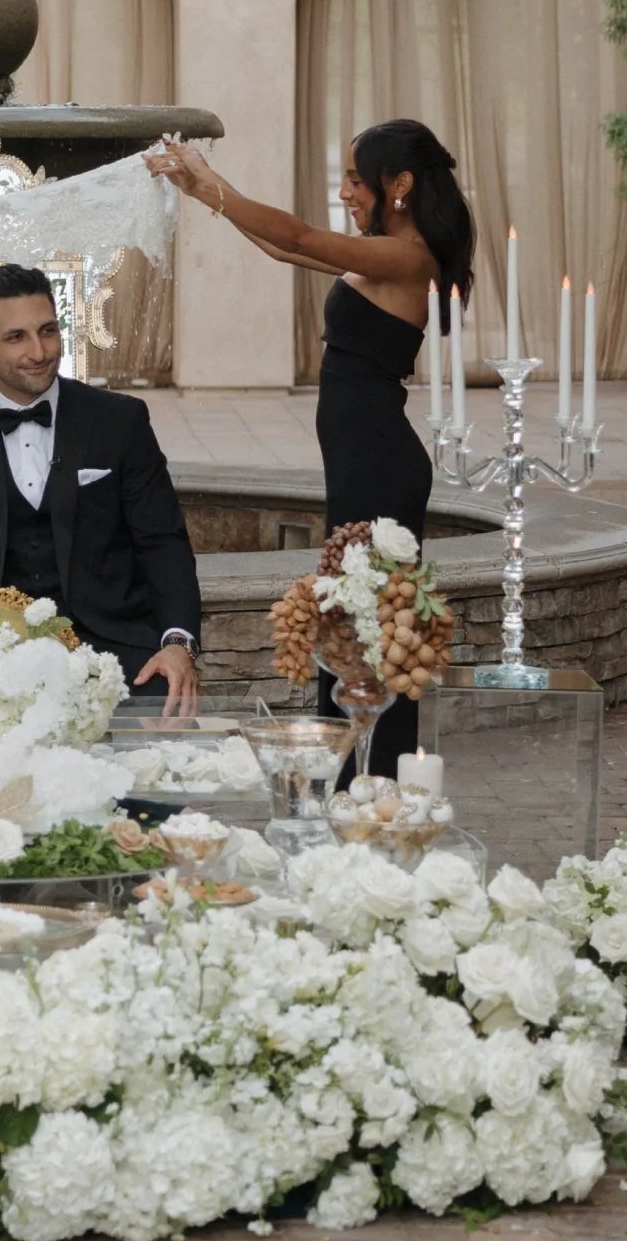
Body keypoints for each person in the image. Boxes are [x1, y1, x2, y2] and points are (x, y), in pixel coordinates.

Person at [150, 119, 475, 775]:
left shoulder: (410, 259)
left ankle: (378, 782)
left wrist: (213, 185)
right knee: (349, 620)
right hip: (365, 460)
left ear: (400, 184)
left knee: (375, 627)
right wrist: (207, 192)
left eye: (357, 180)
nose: (348, 192)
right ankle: (351, 776)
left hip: (380, 462)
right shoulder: (382, 250)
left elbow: (297, 235)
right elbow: (286, 251)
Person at [0, 264, 203, 714]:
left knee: (162, 728)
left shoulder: (119, 420)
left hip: (113, 647)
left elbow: (163, 541)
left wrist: (178, 643)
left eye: (48, 331)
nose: (39, 351)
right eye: (16, 338)